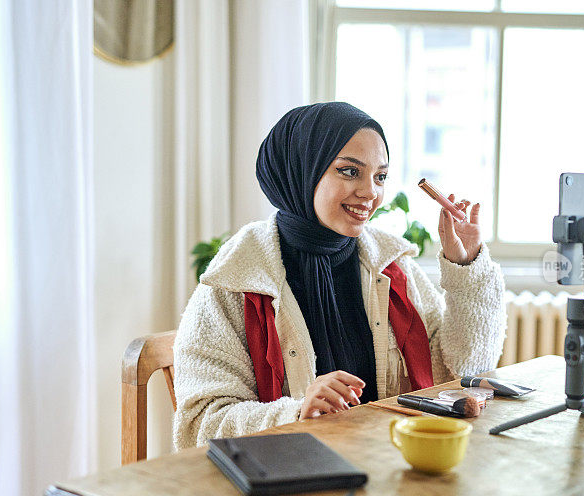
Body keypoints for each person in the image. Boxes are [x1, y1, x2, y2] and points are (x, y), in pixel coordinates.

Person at [173, 102, 507, 450]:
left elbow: (465, 370)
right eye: (349, 171)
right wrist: (296, 413)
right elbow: (200, 425)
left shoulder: (391, 267)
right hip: (288, 484)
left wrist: (467, 265)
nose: (370, 193)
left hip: (386, 467)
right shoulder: (235, 280)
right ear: (300, 170)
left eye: (380, 176)